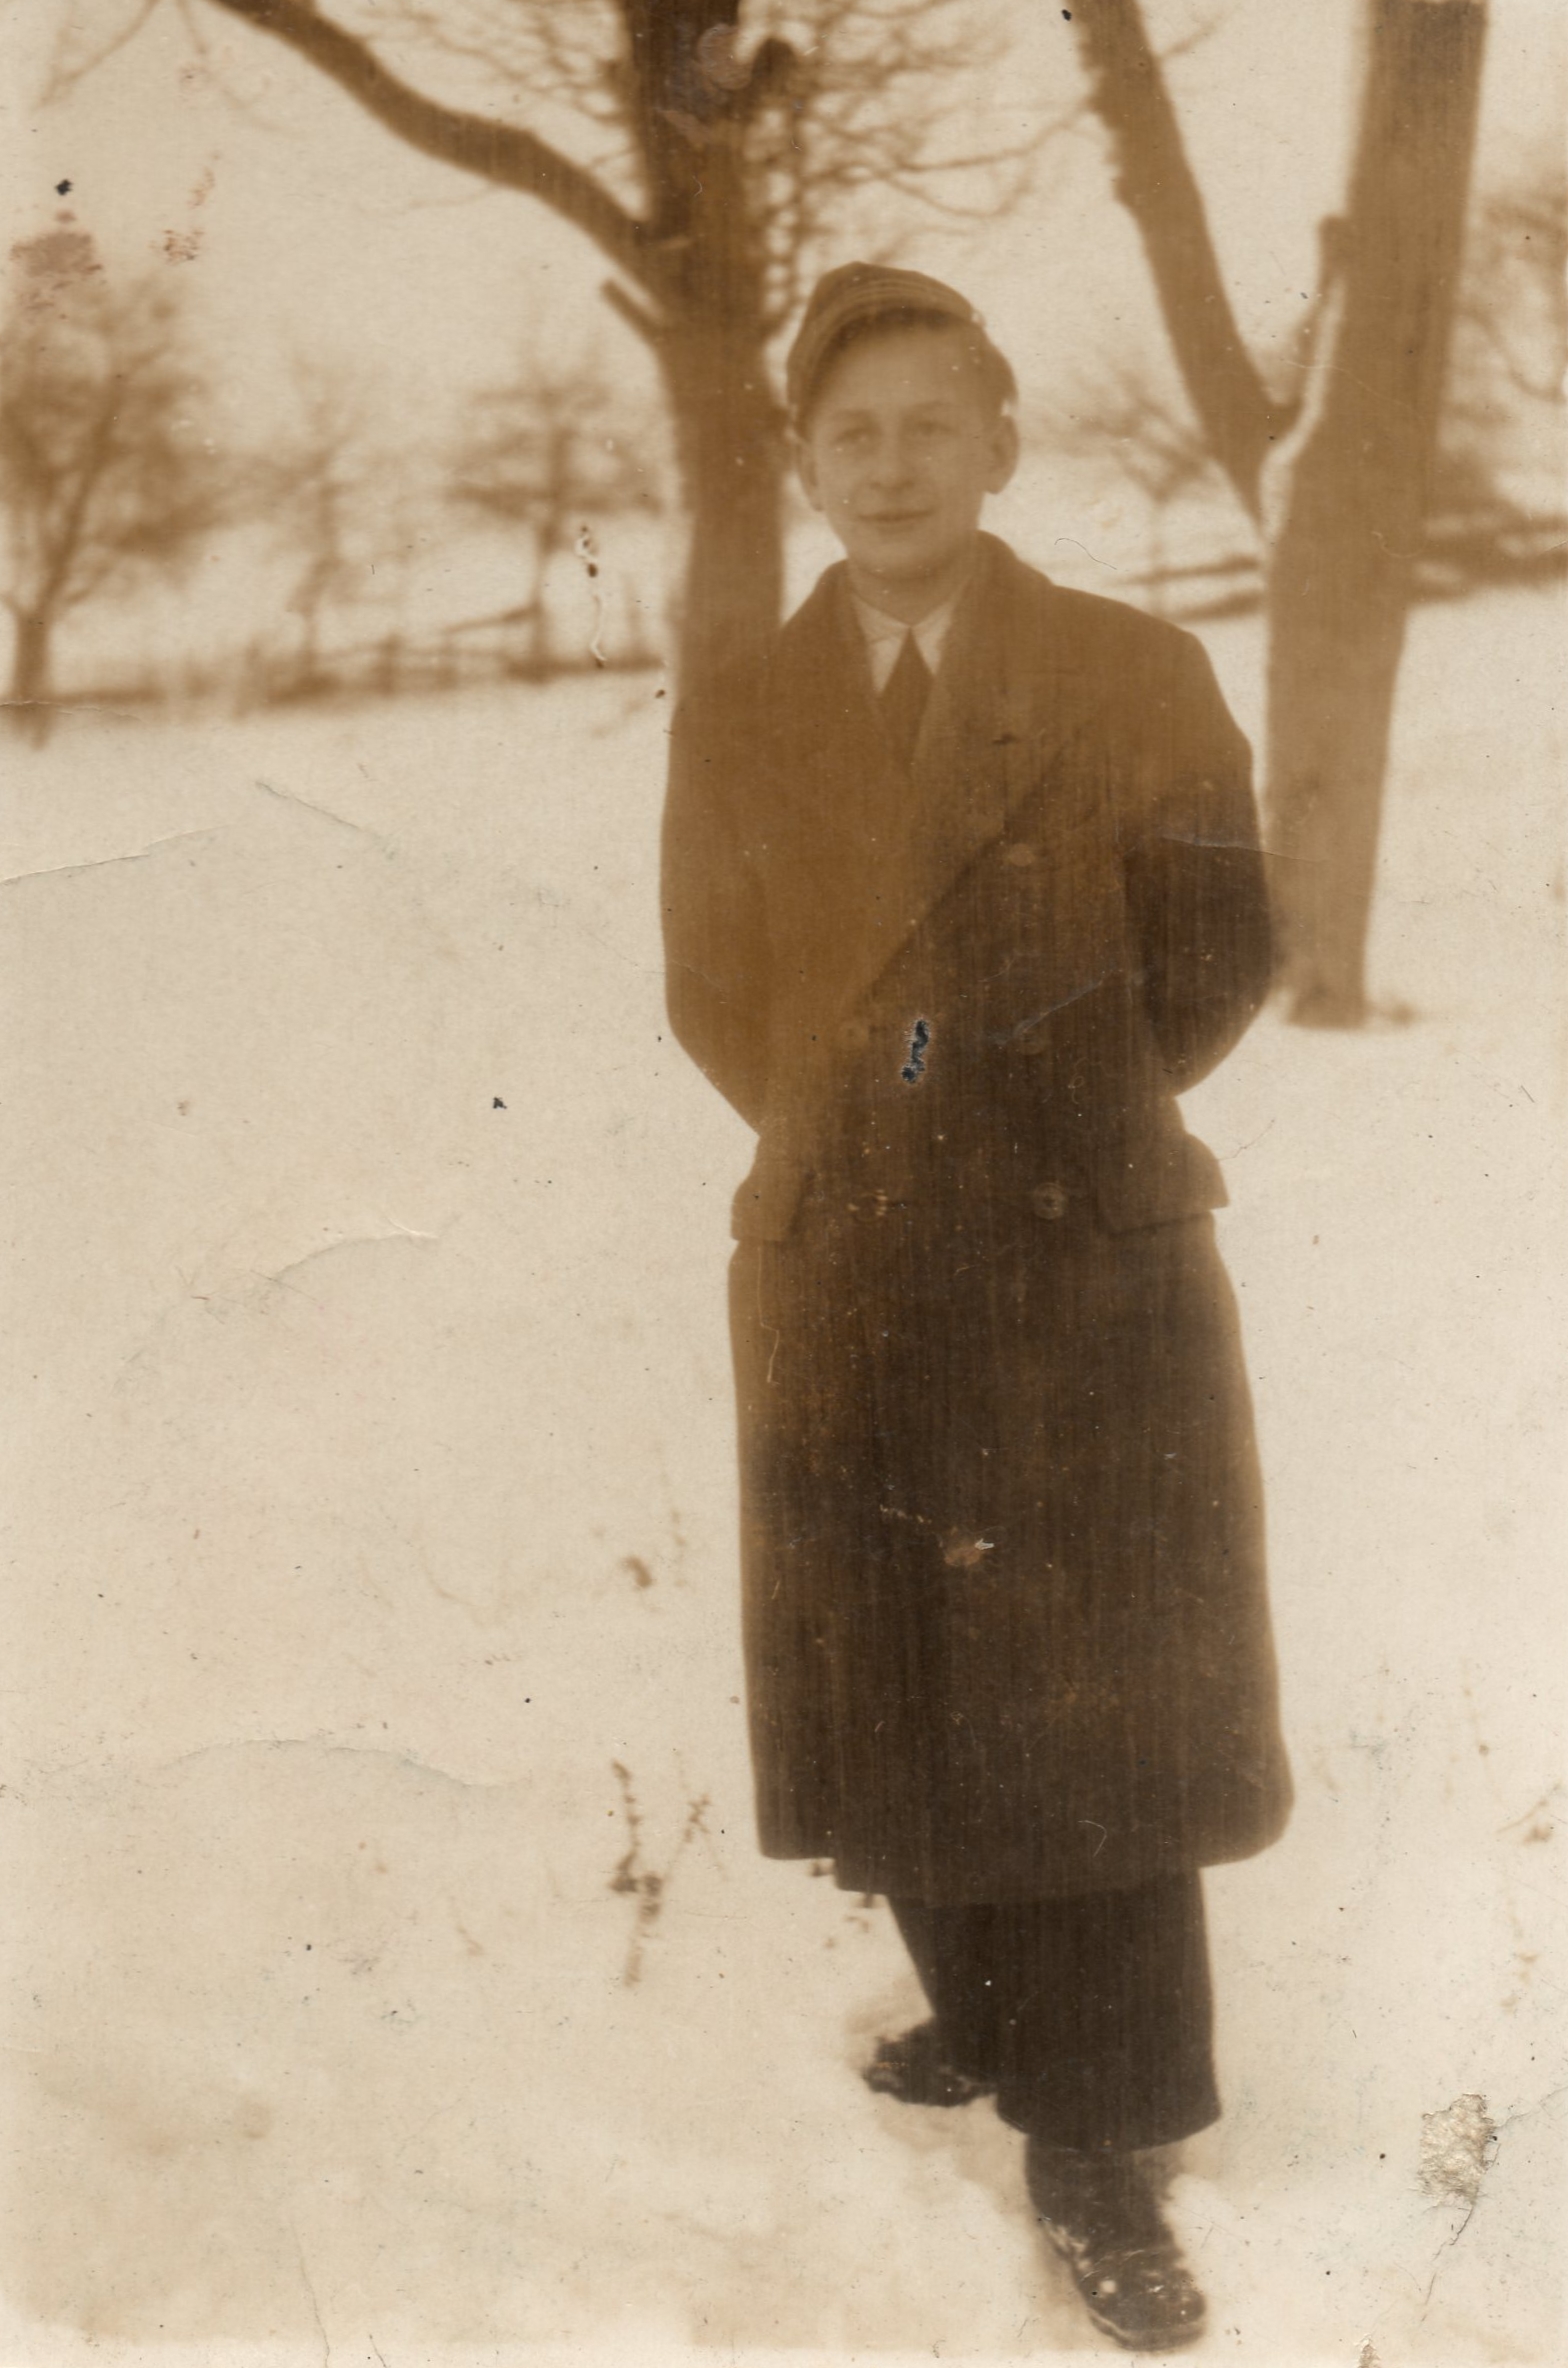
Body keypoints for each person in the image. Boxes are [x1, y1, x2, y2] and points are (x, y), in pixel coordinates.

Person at [660, 261, 1292, 2354]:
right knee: (903, 1668)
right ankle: (980, 1996)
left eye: (934, 422)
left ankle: (1102, 2133)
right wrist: (879, 1127)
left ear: (1003, 440)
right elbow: (716, 982)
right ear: (807, 466)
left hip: (1072, 1251)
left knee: (1093, 1686)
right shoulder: (745, 698)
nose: (892, 464)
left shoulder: (1124, 667)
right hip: (851, 1245)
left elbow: (1212, 947)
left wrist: (1027, 1120)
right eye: (851, 434)